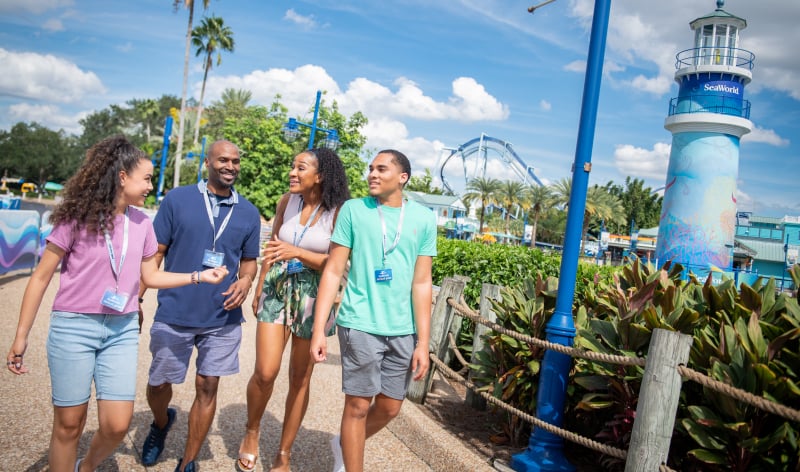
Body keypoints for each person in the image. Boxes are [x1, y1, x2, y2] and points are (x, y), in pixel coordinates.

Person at [5, 136, 229, 472]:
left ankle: (87, 466)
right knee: (69, 424)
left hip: (121, 329)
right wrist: (21, 335)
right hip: (73, 327)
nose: (151, 186)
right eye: (147, 178)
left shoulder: (141, 224)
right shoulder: (75, 218)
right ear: (122, 177)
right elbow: (39, 278)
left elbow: (150, 277)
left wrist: (199, 276)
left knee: (117, 424)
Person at [310, 149, 437, 472]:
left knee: (391, 407)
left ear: (403, 177)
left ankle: (344, 443)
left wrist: (423, 342)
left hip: (403, 329)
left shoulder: (423, 218)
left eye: (382, 169)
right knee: (357, 405)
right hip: (359, 322)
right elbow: (333, 271)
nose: (372, 174)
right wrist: (318, 329)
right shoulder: (354, 210)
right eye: (371, 169)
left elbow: (422, 283)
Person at [139, 140, 261, 472]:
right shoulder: (177, 199)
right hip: (175, 312)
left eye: (236, 161)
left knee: (208, 385)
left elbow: (249, 263)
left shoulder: (248, 212)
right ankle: (162, 423)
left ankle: (188, 461)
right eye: (223, 159)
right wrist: (135, 299)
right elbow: (155, 254)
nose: (231, 166)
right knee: (160, 382)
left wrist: (246, 281)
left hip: (222, 317)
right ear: (207, 162)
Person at [236, 148, 350, 472]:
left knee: (300, 379)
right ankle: (252, 430)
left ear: (321, 175)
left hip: (316, 296)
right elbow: (272, 248)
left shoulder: (339, 212)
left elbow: (336, 263)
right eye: (292, 166)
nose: (292, 172)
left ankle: (284, 453)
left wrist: (297, 253)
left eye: (301, 167)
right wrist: (259, 289)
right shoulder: (286, 202)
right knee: (265, 372)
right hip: (277, 288)